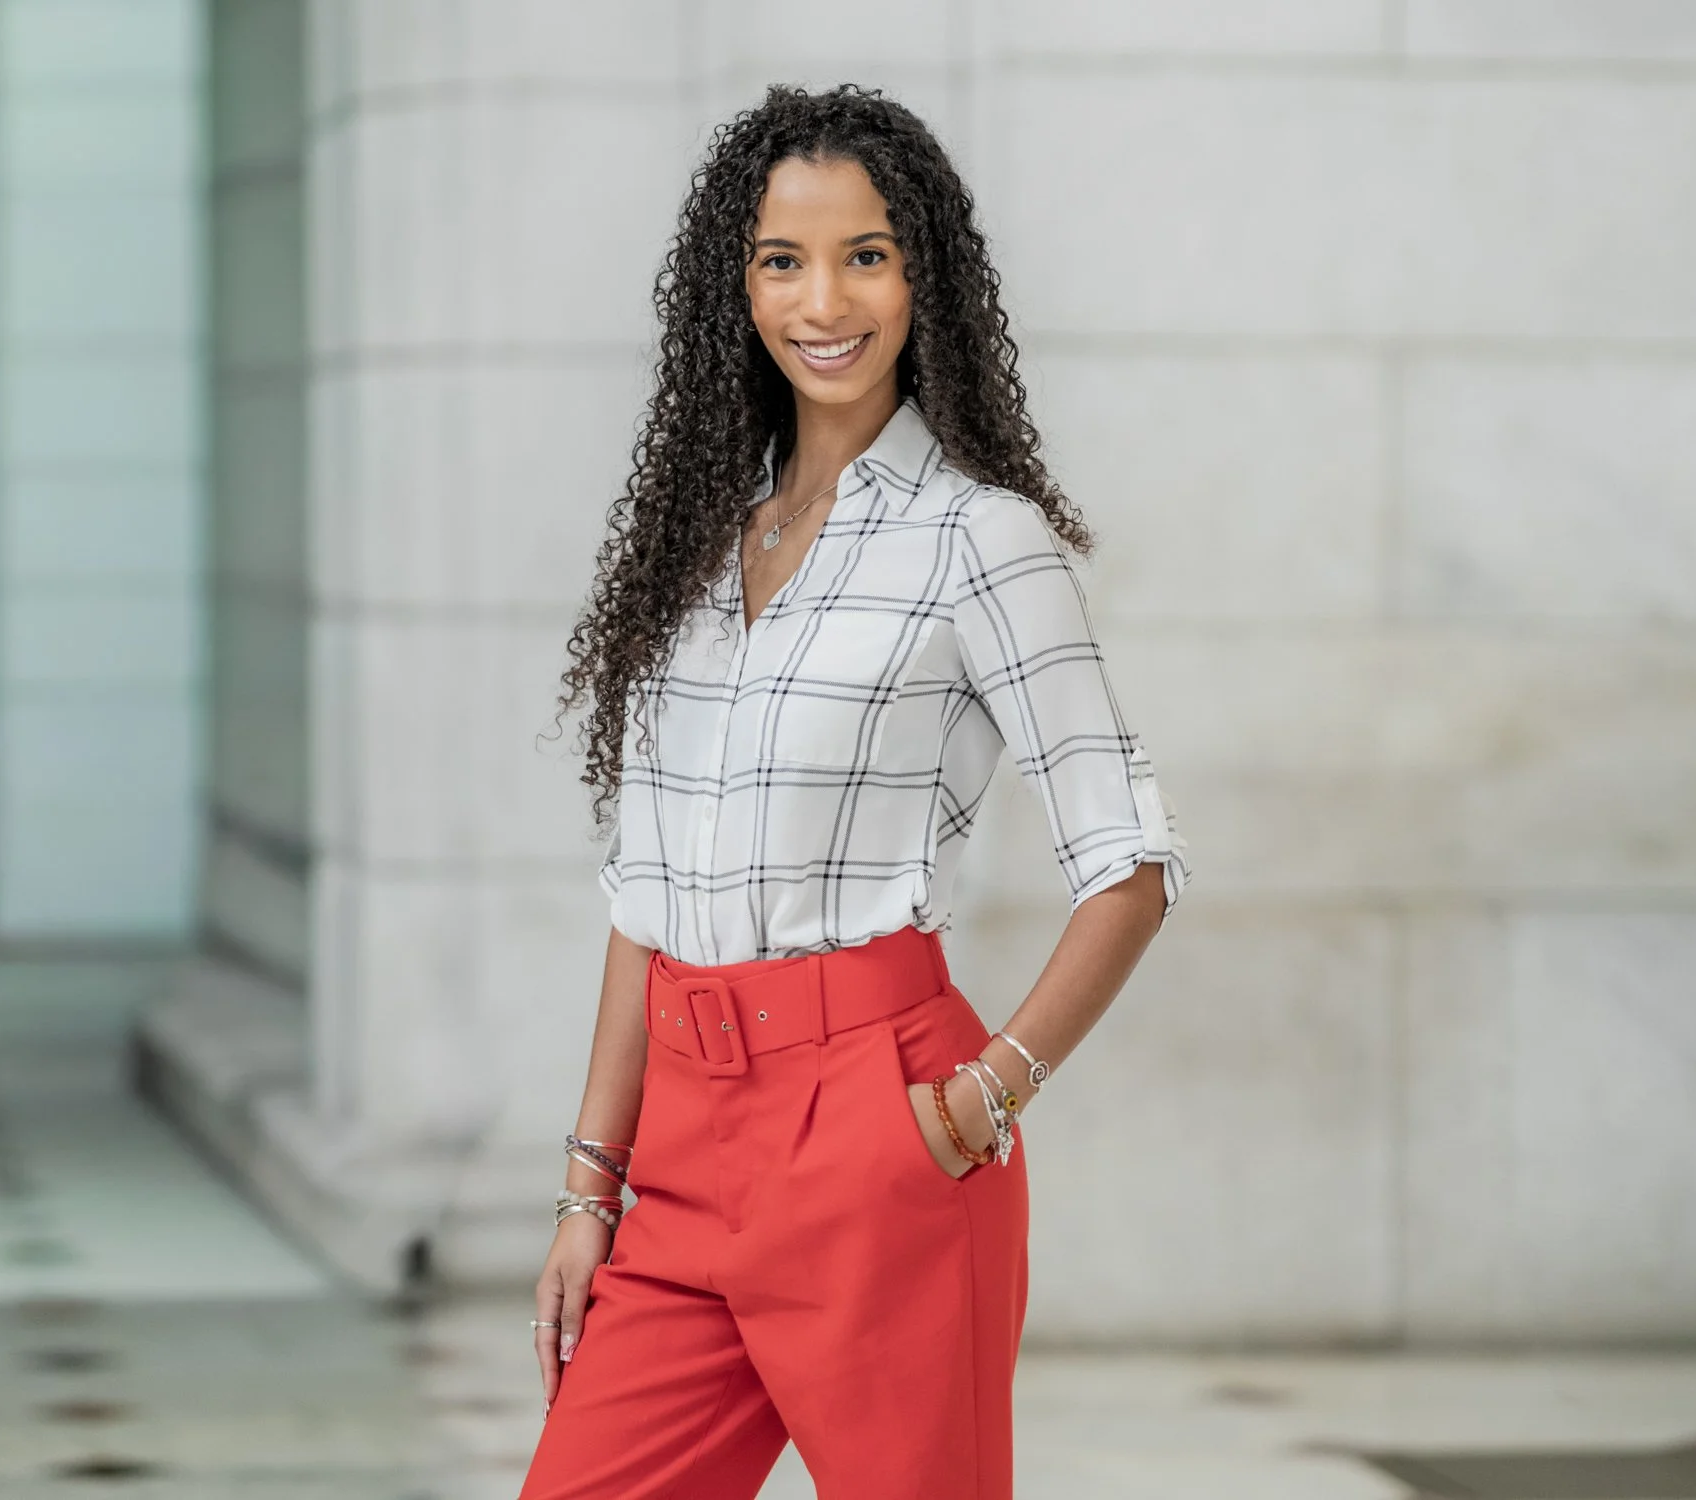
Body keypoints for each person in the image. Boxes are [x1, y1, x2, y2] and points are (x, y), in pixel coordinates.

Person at [524, 83, 1190, 1500]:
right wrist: (592, 1186)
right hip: (683, 1151)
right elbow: (644, 900)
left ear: (920, 276)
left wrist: (974, 1105)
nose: (823, 300)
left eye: (865, 255)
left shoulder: (979, 540)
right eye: (781, 260)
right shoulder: (695, 550)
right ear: (737, 288)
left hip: (875, 1132)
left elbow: (1126, 866)